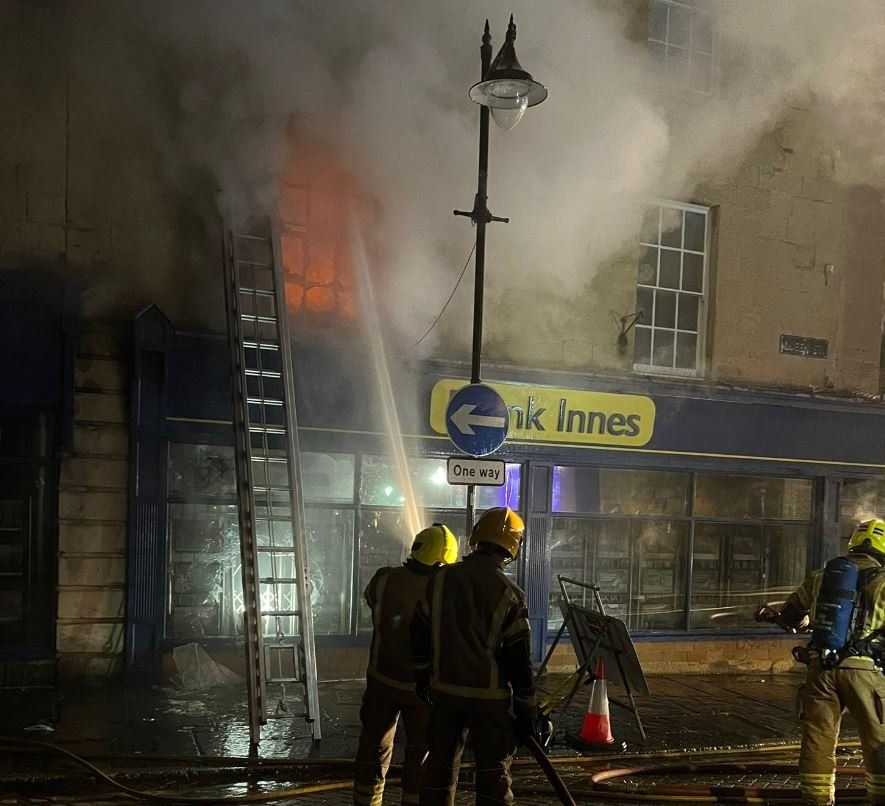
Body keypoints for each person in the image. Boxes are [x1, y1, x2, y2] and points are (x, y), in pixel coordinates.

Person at [411, 507, 536, 806]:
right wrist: (526, 711)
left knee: (439, 774)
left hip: (444, 694)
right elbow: (519, 662)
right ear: (513, 547)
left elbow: (418, 629)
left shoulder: (441, 578)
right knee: (493, 779)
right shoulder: (510, 593)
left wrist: (423, 675)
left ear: (478, 537)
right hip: (488, 702)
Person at [756, 518, 885, 806]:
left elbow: (792, 617)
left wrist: (803, 621)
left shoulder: (822, 576)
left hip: (821, 670)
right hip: (866, 673)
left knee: (818, 741)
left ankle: (817, 800)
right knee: (878, 742)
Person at [353, 523, 459, 806]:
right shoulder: (441, 592)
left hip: (382, 680)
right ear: (442, 561)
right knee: (420, 754)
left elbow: (371, 598)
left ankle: (366, 800)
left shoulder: (384, 579)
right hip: (422, 689)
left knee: (373, 747)